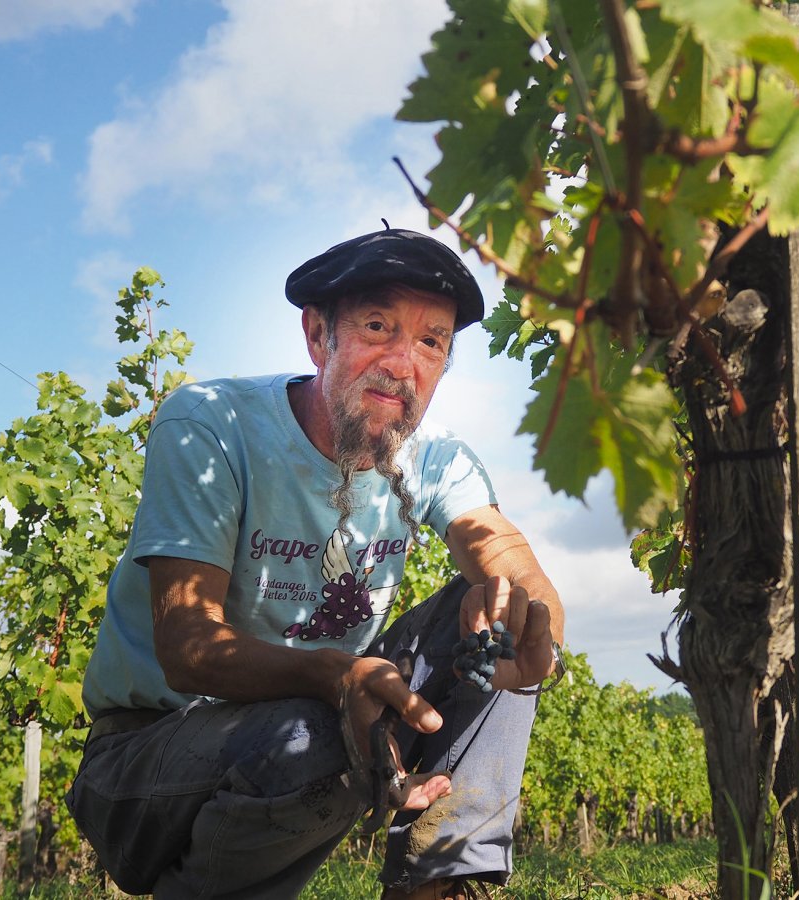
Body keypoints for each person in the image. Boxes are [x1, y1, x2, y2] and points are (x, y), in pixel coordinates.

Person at [66, 227, 565, 899]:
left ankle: (440, 884)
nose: (401, 362)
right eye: (377, 325)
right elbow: (188, 647)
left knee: (494, 609)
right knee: (313, 733)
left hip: (324, 720)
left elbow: (518, 567)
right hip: (145, 761)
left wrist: (533, 634)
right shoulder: (212, 425)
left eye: (431, 342)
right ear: (316, 334)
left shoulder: (440, 460)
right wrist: (333, 677)